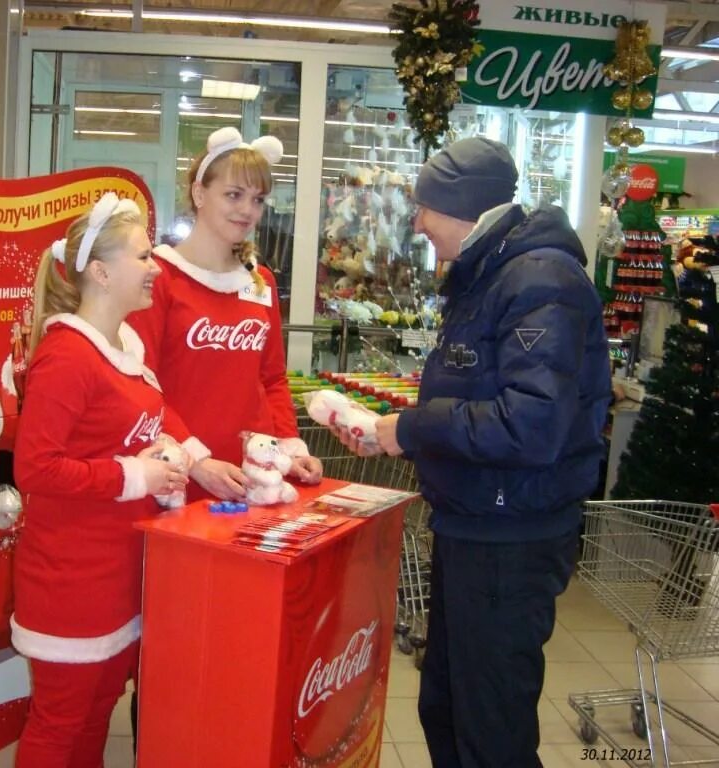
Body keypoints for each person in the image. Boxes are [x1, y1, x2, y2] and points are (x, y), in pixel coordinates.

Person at [334, 137, 611, 767]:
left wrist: (416, 428)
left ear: (460, 207)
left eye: (425, 207)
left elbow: (531, 425)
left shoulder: (540, 279)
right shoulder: (490, 274)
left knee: (490, 728)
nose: (419, 222)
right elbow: (484, 393)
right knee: (449, 708)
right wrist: (406, 437)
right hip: (476, 525)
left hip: (510, 541)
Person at [11, 193, 189, 767]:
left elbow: (118, 438)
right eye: (143, 256)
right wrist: (134, 474)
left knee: (95, 717)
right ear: (100, 271)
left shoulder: (124, 350)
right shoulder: (68, 356)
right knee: (60, 725)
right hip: (70, 583)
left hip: (117, 576)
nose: (156, 268)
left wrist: (163, 459)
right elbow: (35, 467)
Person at [128, 126, 323, 501]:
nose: (247, 210)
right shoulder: (158, 276)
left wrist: (290, 450)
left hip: (255, 478)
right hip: (178, 478)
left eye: (258, 199)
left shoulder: (260, 282)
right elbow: (140, 386)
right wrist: (196, 461)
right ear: (200, 193)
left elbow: (272, 380)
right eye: (234, 195)